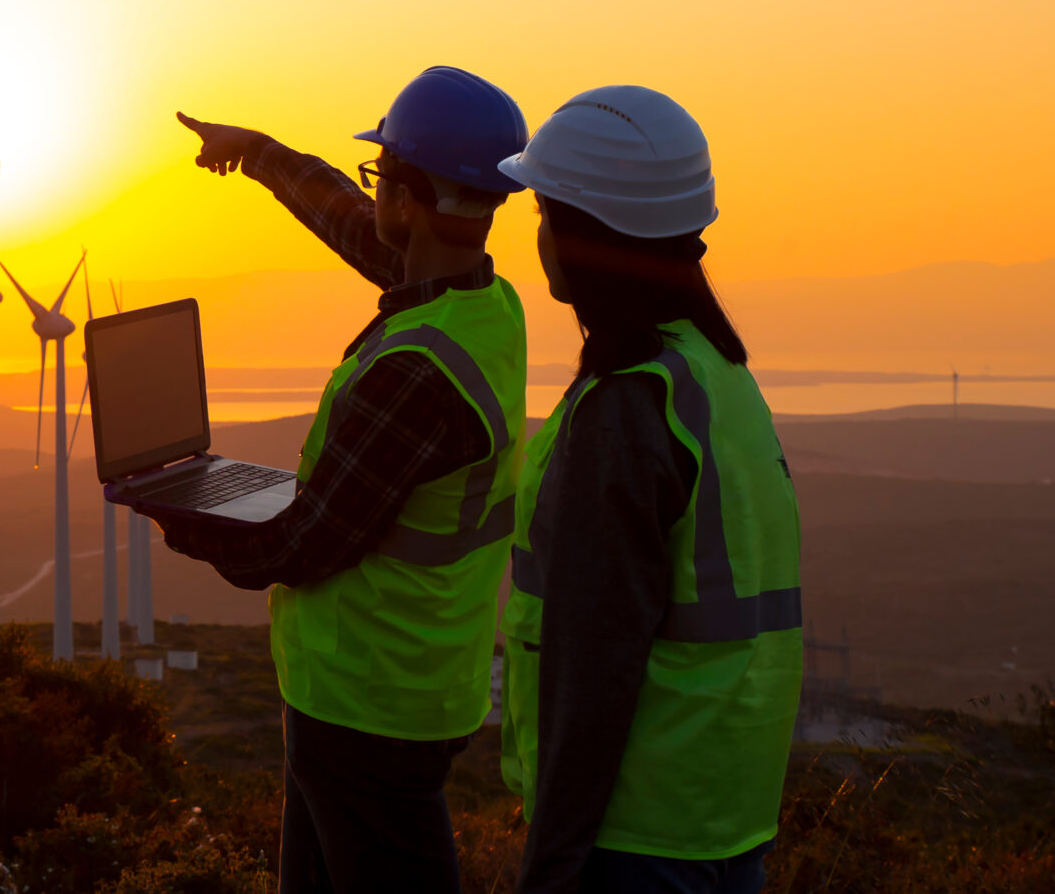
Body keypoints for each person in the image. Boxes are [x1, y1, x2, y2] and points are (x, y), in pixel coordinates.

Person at [165, 66, 530, 894]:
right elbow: (353, 225)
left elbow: (305, 540)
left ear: (407, 200)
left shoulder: (417, 371)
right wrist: (256, 153)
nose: (371, 202)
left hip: (368, 702)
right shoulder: (484, 304)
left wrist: (184, 510)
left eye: (381, 182)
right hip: (403, 687)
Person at [494, 87, 802, 894]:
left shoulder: (628, 413)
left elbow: (590, 675)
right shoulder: (717, 376)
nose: (538, 234)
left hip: (635, 834)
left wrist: (551, 864)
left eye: (544, 212)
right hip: (721, 821)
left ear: (583, 233)